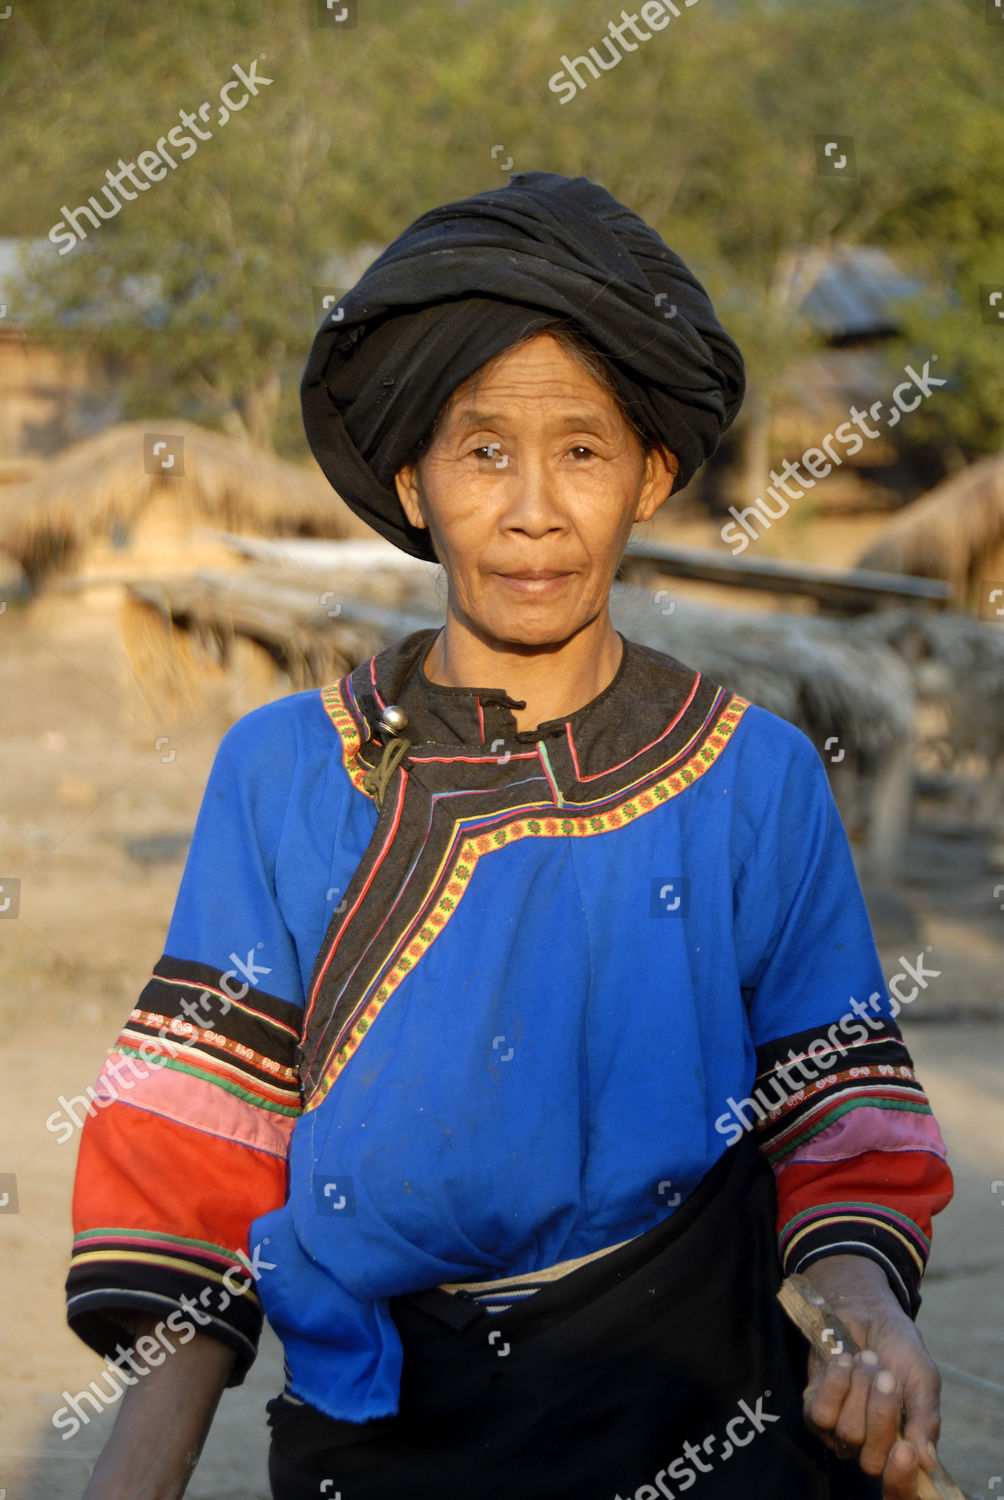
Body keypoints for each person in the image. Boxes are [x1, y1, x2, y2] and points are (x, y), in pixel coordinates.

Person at [68, 172, 953, 1500]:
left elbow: (841, 1113)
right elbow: (199, 1155)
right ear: (413, 482)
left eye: (583, 450)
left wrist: (865, 1315)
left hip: (701, 1411)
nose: (534, 507)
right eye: (484, 450)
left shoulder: (753, 776)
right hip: (381, 1432)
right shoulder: (288, 770)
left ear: (651, 474)